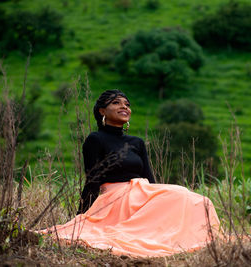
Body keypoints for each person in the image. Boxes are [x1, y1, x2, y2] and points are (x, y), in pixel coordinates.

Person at [40, 89, 221, 257]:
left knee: (199, 201)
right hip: (115, 198)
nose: (124, 107)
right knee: (182, 195)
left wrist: (156, 200)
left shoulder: (137, 142)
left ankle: (193, 239)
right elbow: (92, 180)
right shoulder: (95, 139)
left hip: (142, 193)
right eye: (116, 103)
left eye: (127, 104)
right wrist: (81, 217)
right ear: (102, 111)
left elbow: (150, 179)